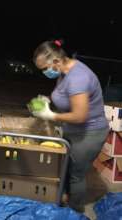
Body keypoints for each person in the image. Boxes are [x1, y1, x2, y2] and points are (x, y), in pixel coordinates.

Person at [31, 40, 109, 212]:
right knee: (65, 167)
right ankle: (63, 197)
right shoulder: (64, 70)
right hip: (73, 130)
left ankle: (75, 211)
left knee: (76, 175)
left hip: (89, 133)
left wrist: (51, 115)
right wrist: (48, 101)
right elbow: (66, 96)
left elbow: (80, 116)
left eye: (45, 69)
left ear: (57, 62)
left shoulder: (78, 78)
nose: (44, 72)